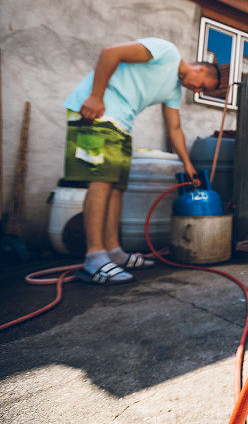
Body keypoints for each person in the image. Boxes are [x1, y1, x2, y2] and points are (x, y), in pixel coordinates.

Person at [62, 38, 220, 284]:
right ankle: (94, 257)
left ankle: (113, 252)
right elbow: (110, 52)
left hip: (120, 123)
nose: (198, 91)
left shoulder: (173, 91)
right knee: (101, 181)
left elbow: (175, 128)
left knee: (116, 188)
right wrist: (95, 96)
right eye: (202, 86)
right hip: (97, 112)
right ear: (199, 69)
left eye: (202, 92)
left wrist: (188, 165)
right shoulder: (167, 52)